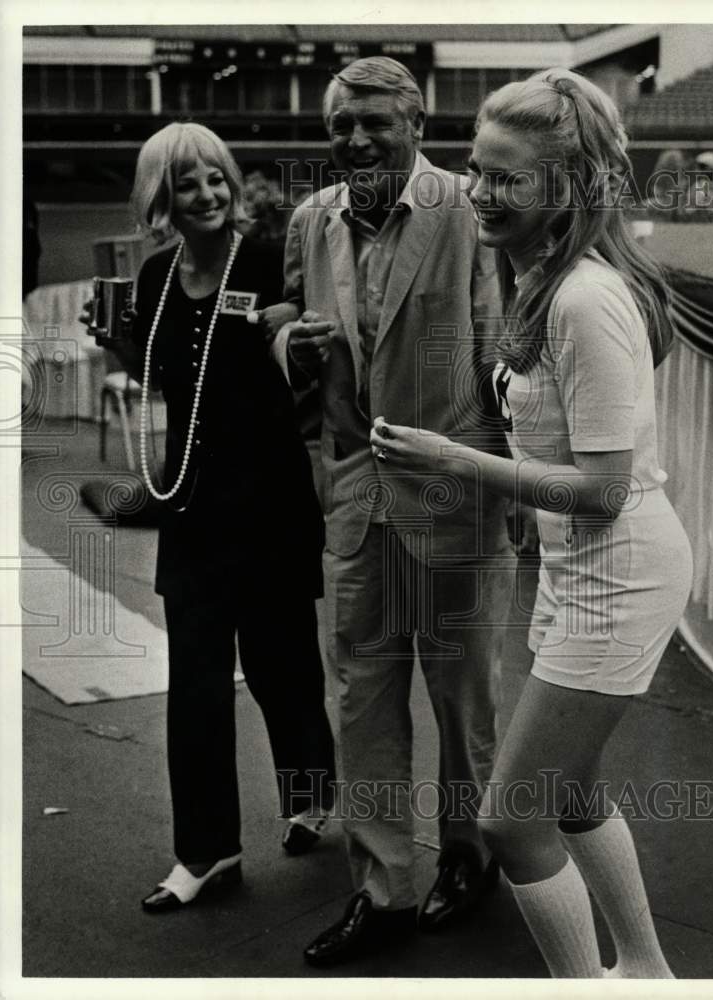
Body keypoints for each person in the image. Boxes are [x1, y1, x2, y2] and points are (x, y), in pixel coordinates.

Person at [370, 68, 693, 978]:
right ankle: (648, 975)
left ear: (567, 190)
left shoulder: (585, 301)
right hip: (578, 568)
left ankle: (592, 986)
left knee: (512, 816)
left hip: (619, 571)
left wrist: (455, 460)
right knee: (570, 784)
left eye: (506, 179)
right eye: (476, 169)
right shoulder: (543, 278)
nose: (479, 192)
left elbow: (601, 490)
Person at [255, 57, 514, 967]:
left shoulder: (469, 208)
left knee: (461, 701)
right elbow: (285, 310)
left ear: (415, 125)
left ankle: (473, 856)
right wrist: (291, 339)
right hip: (355, 499)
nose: (357, 139)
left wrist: (506, 490)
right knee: (363, 701)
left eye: (375, 123)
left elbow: (499, 350)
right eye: (341, 125)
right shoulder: (310, 218)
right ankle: (384, 889)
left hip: (456, 491)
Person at [84, 122, 336, 912]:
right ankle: (206, 850)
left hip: (266, 502)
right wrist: (116, 347)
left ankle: (308, 792)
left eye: (217, 179)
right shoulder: (156, 277)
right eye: (189, 183)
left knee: (281, 668)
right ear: (164, 196)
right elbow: (157, 378)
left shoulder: (266, 265)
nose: (207, 195)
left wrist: (293, 338)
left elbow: (299, 363)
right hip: (190, 503)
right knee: (192, 682)